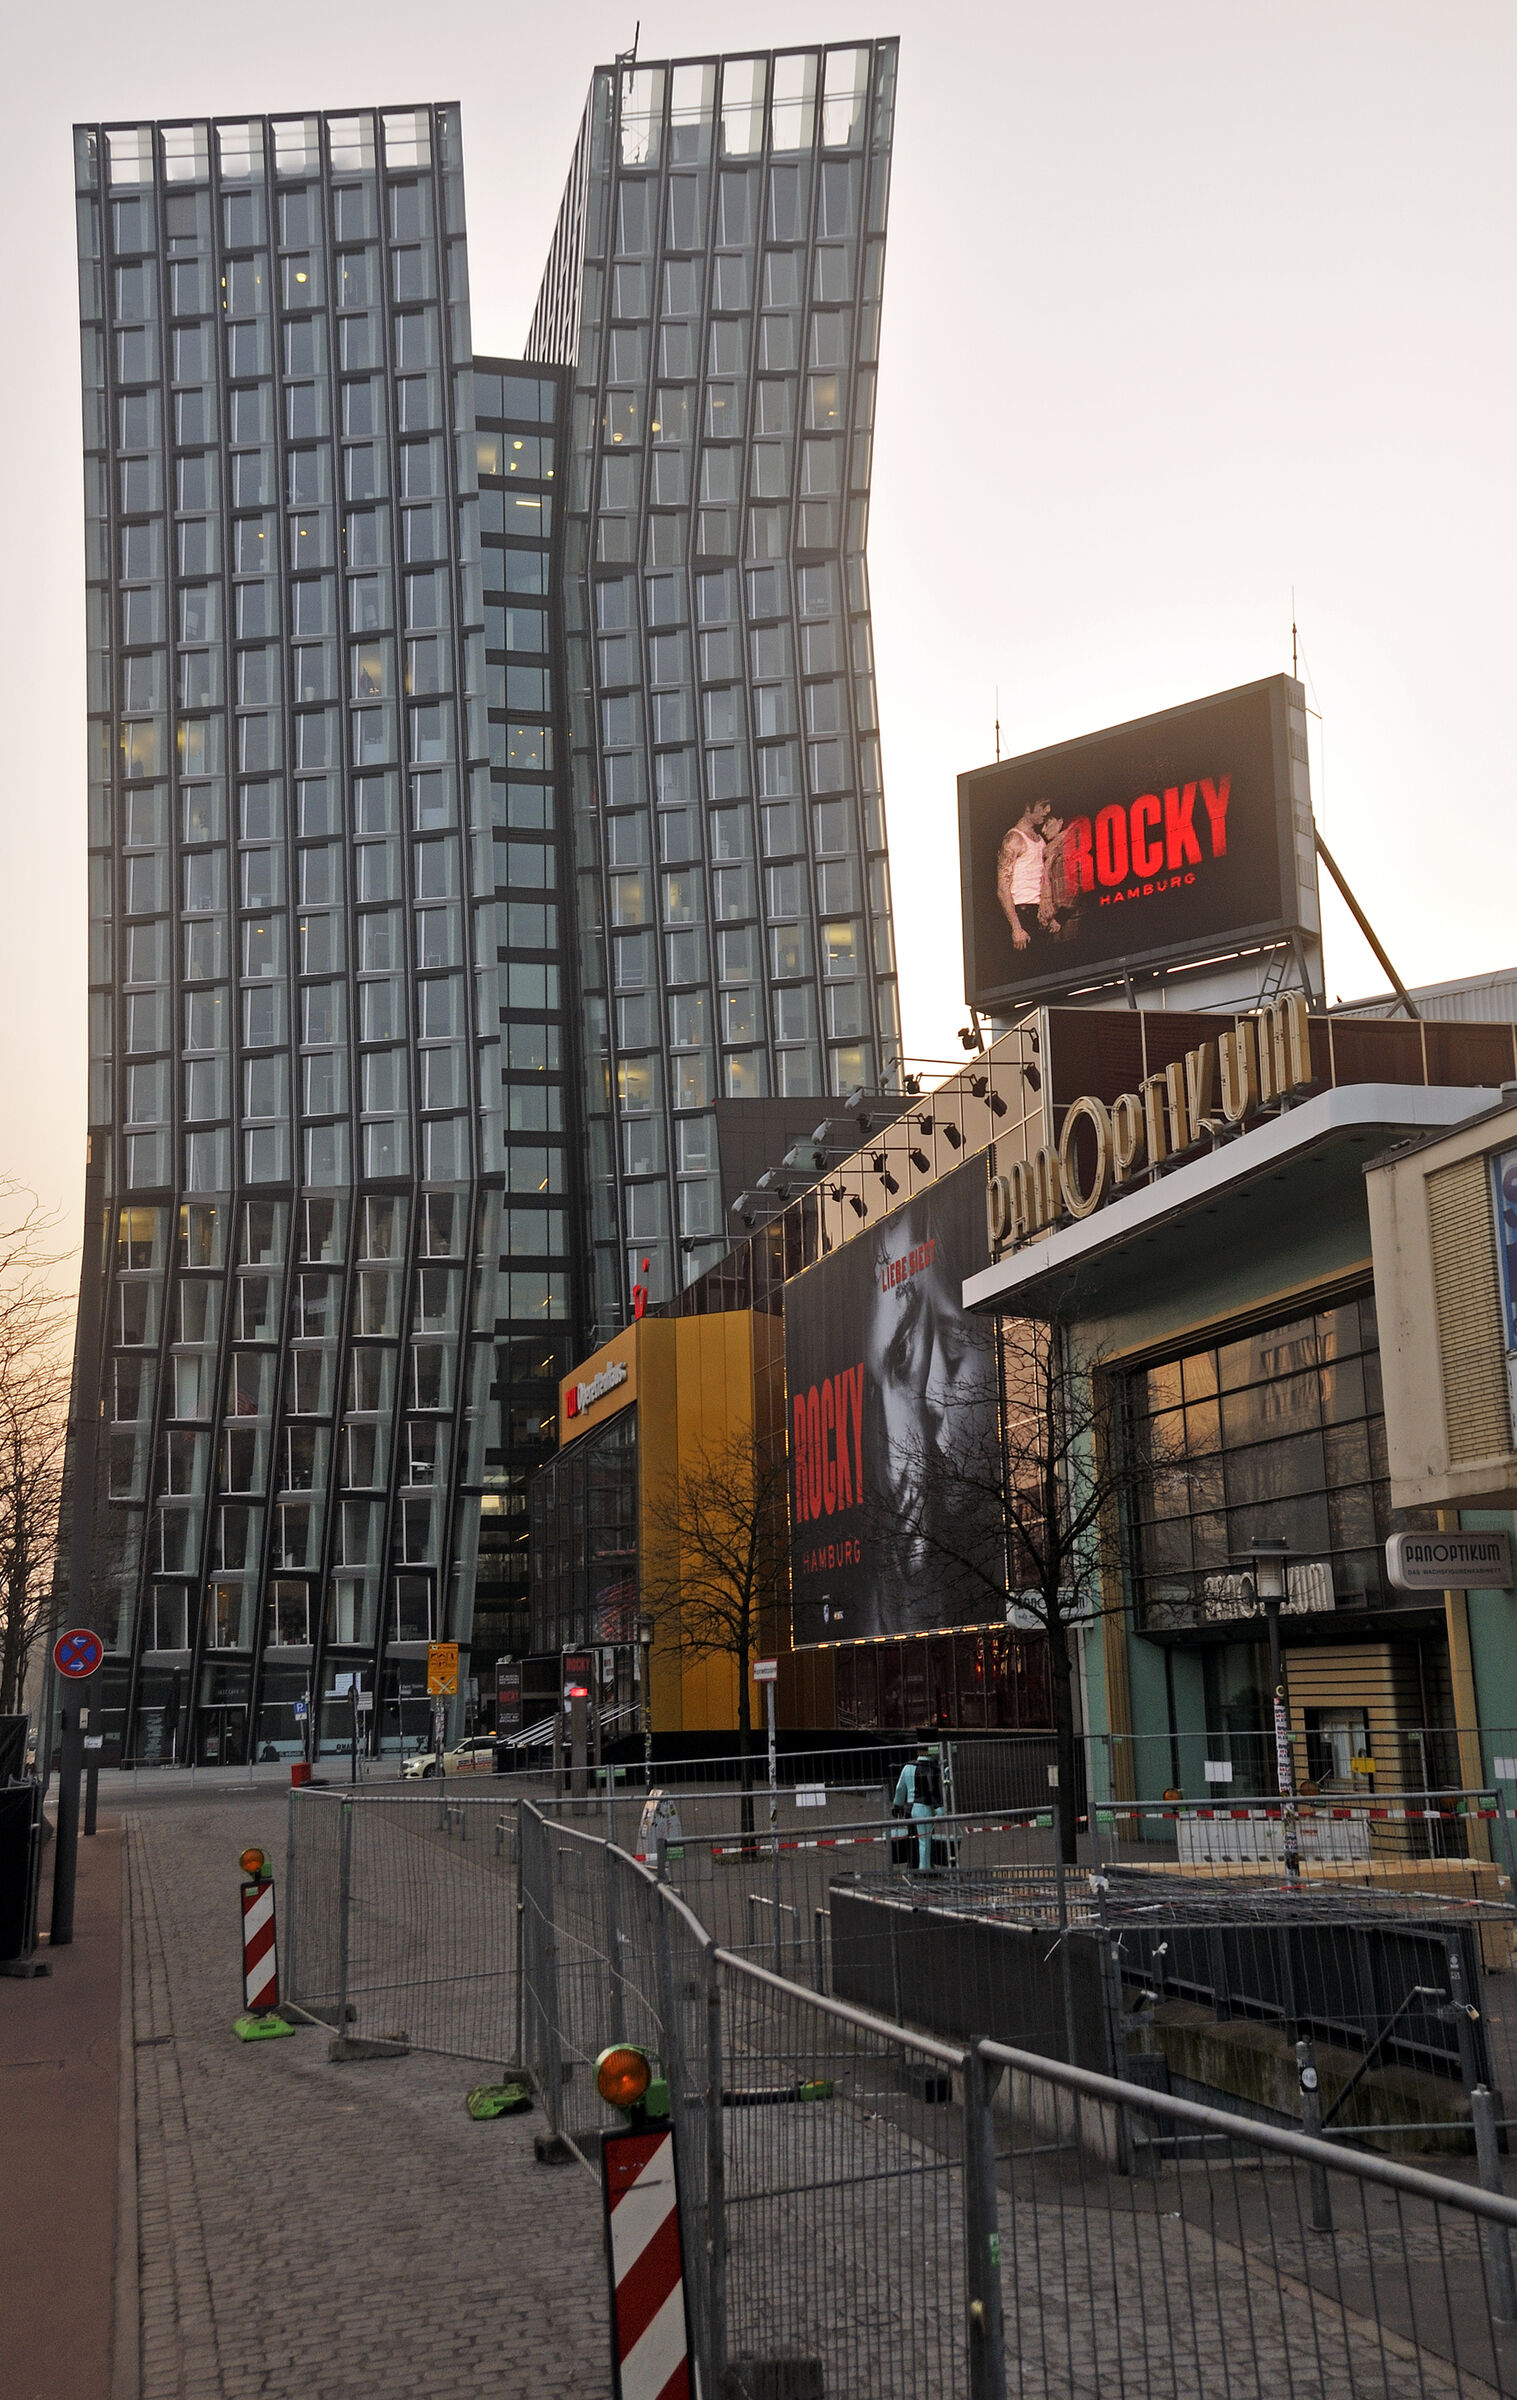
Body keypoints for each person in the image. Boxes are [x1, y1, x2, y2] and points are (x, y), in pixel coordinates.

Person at [893, 1737, 945, 1872]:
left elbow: (900, 1789)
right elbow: (933, 1790)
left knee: (912, 1839)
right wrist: (939, 1808)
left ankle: (912, 1866)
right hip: (924, 1808)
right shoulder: (930, 1769)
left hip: (909, 1809)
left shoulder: (907, 1767)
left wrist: (897, 1805)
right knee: (925, 1840)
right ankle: (925, 1868)